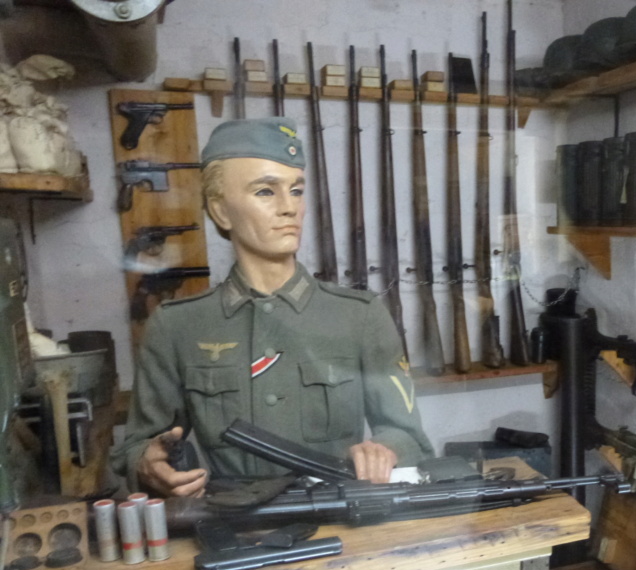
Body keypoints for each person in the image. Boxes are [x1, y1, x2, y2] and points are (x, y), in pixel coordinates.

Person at [112, 117, 433, 497]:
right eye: (266, 192)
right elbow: (137, 447)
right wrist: (148, 464)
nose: (289, 208)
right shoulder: (179, 326)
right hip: (232, 525)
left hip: (340, 520)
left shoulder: (359, 316)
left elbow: (410, 436)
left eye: (296, 191)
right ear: (220, 211)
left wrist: (386, 450)